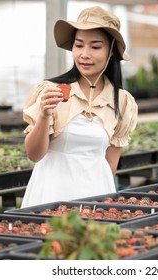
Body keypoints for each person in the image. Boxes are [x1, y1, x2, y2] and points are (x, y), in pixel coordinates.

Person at [21, 6, 138, 208]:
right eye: (79, 45)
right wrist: (43, 115)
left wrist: (101, 200)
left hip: (96, 194)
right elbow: (34, 155)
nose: (84, 54)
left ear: (111, 51)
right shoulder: (51, 91)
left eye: (95, 46)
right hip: (51, 193)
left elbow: (110, 163)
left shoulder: (122, 101)